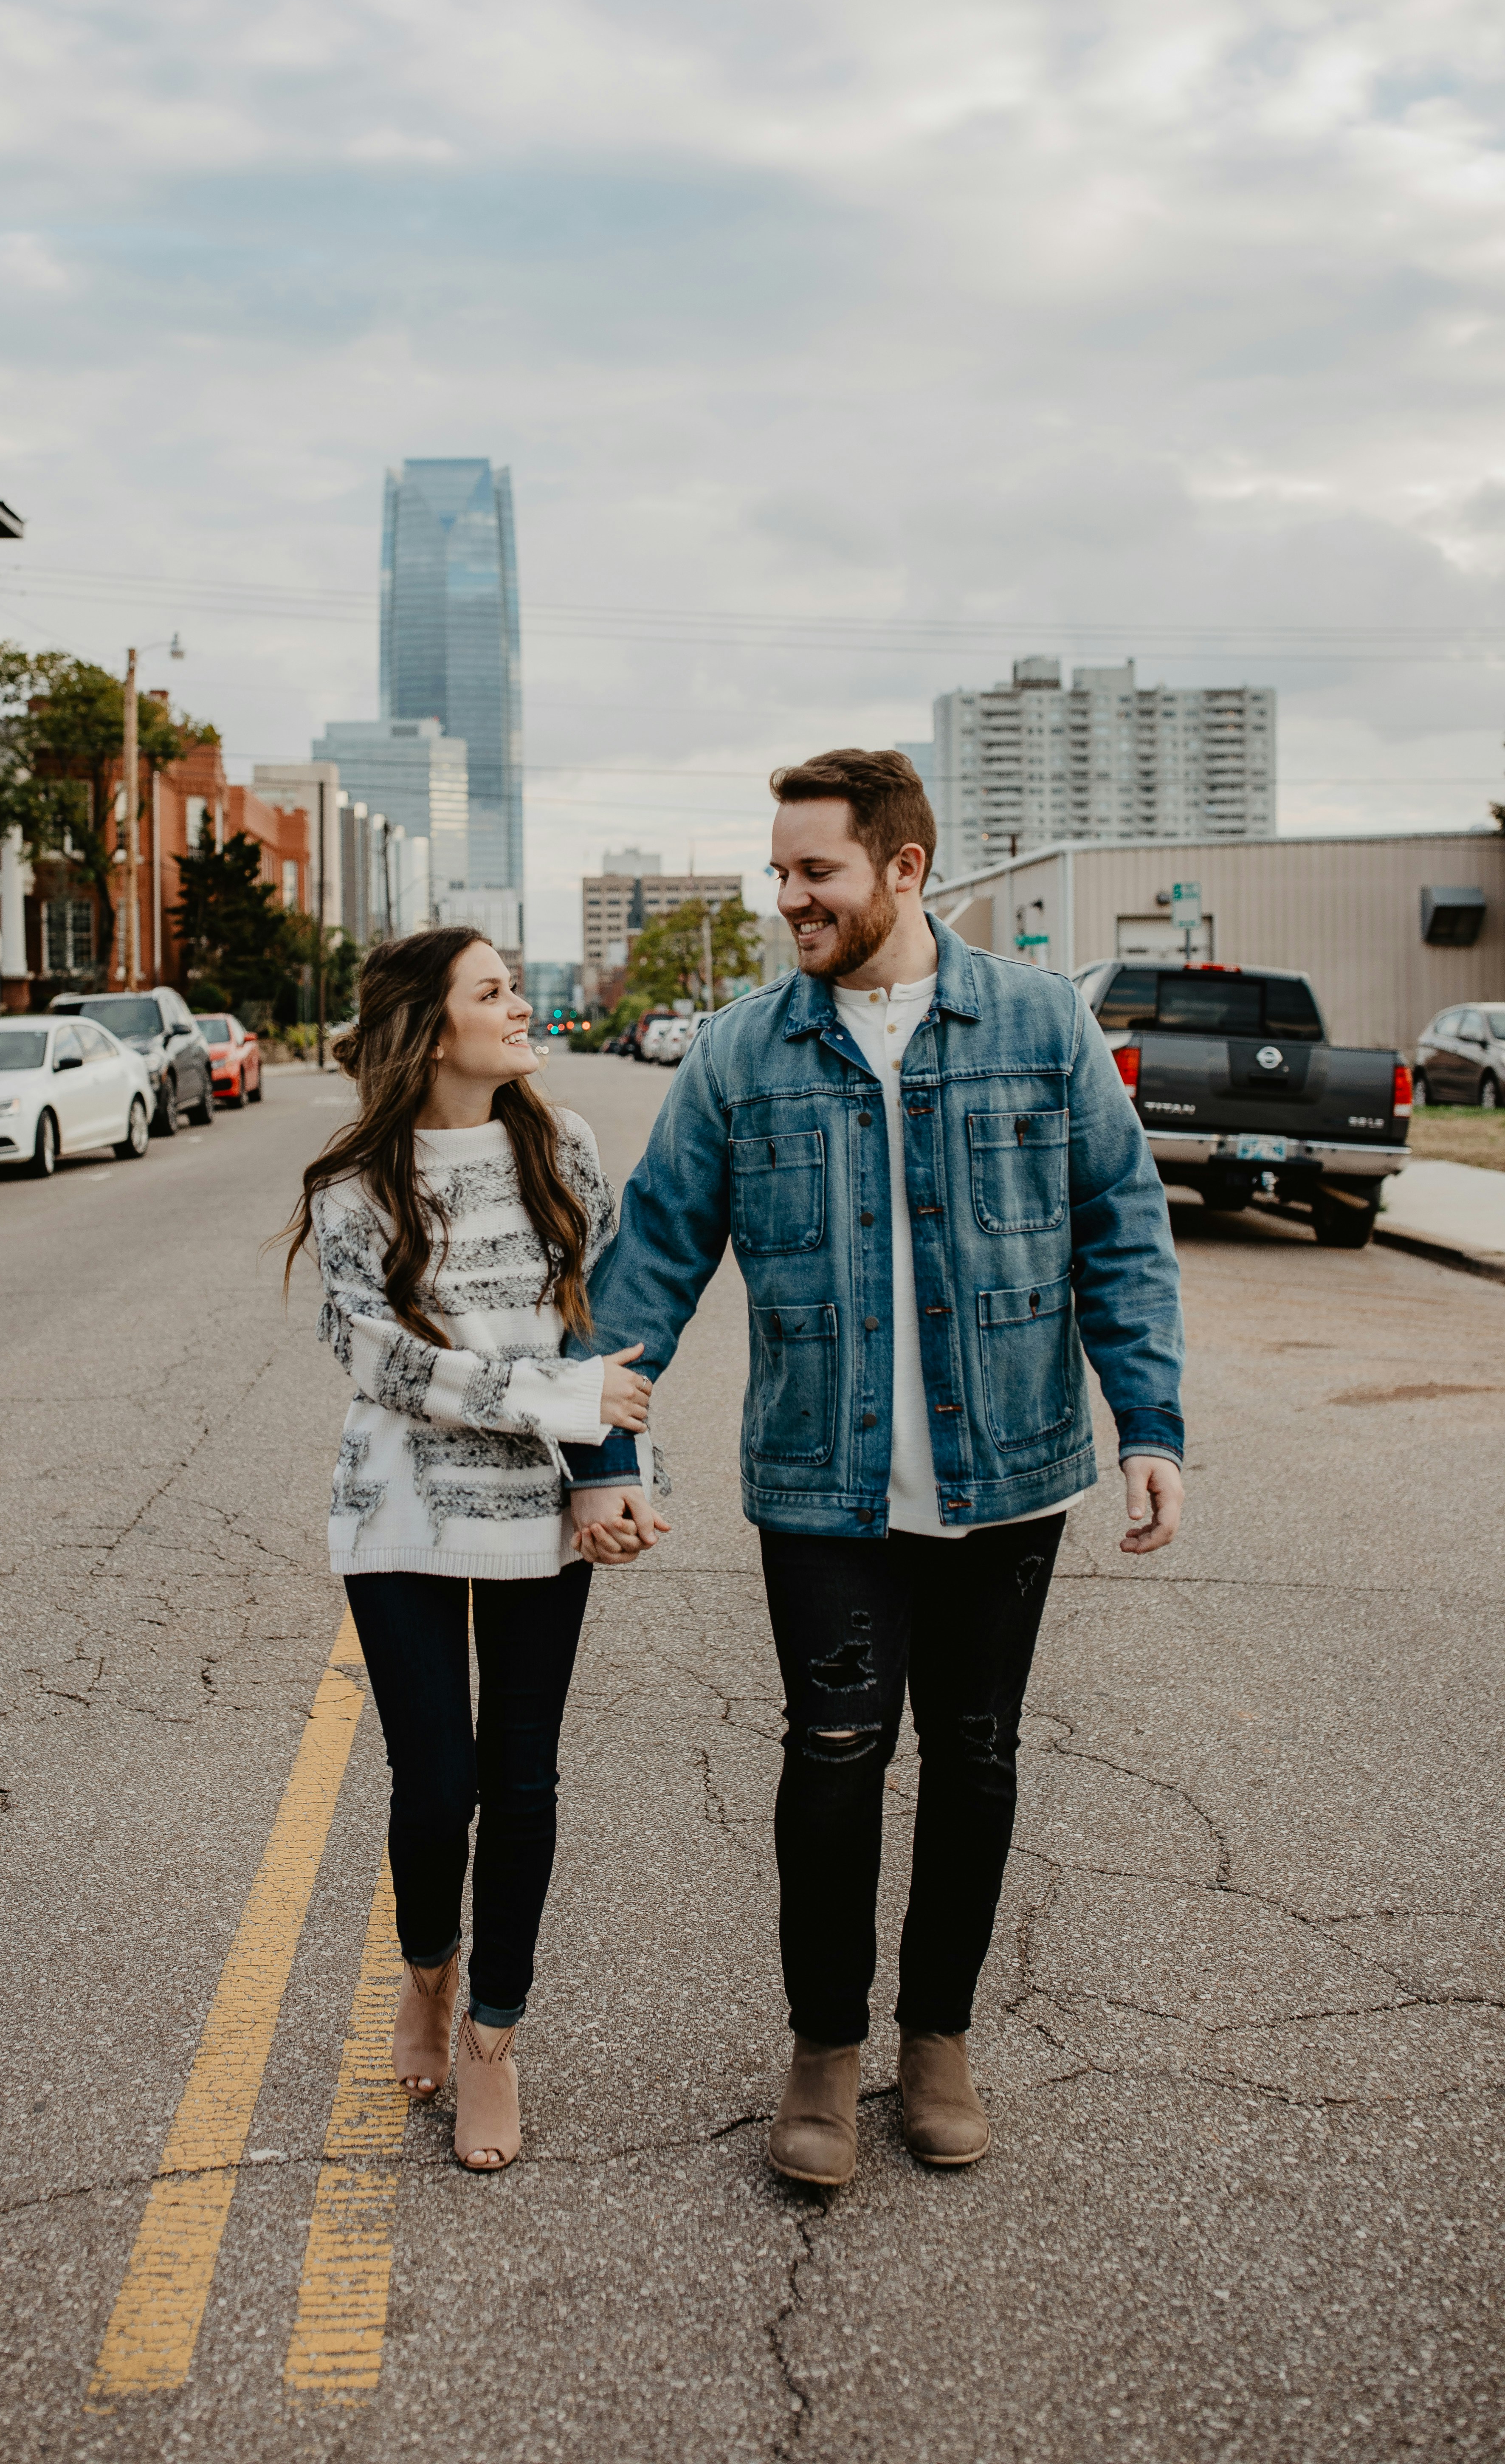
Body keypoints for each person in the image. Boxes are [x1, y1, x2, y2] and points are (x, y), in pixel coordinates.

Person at [562, 749, 1184, 2186]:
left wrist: (1148, 1428)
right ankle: (826, 2053)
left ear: (904, 870)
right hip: (821, 1488)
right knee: (833, 1759)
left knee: (975, 1758)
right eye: (779, 872)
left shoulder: (1038, 1027)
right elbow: (650, 1261)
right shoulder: (739, 1052)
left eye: (814, 872)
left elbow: (1121, 1231)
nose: (789, 898)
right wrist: (605, 1445)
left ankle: (942, 2042)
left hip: (1014, 1474)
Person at [282, 927, 663, 2174]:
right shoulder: (355, 1189)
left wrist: (617, 1481)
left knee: (525, 1780)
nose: (520, 1004)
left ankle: (495, 2041)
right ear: (432, 1030)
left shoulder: (564, 1152)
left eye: (514, 986)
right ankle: (426, 1976)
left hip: (541, 1519)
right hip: (396, 1512)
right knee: (435, 1786)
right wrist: (558, 1404)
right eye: (493, 992)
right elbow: (381, 1362)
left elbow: (607, 1331)